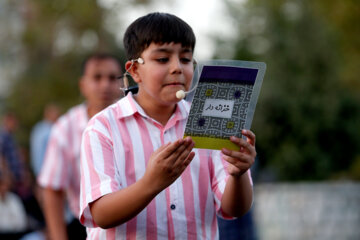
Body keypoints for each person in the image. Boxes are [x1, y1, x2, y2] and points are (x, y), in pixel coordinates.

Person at [79, 12, 256, 239]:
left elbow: (234, 208)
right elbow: (101, 214)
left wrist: (239, 173)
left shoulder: (209, 119)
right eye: (163, 59)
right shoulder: (103, 127)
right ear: (134, 70)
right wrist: (151, 183)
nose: (177, 68)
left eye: (185, 59)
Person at [38, 53, 123, 240]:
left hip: (133, 224)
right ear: (83, 85)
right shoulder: (65, 128)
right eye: (97, 77)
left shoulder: (133, 121)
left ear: (123, 82)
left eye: (112, 77)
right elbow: (53, 190)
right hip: (85, 226)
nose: (105, 85)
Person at [30, 103, 61, 177]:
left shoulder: (41, 128)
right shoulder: (44, 130)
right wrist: (41, 172)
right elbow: (38, 152)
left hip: (50, 173)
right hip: (46, 173)